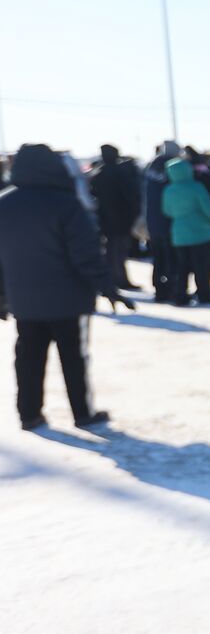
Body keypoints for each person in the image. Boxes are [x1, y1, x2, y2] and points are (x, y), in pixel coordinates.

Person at [0, 144, 135, 430]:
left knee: (28, 358)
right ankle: (82, 414)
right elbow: (86, 256)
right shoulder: (66, 203)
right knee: (74, 358)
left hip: (24, 302)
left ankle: (29, 414)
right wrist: (108, 288)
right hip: (68, 300)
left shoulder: (4, 204)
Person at [161, 157, 210, 305]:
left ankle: (181, 295)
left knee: (182, 267)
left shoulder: (168, 190)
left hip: (179, 233)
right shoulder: (196, 187)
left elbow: (166, 211)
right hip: (201, 232)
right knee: (202, 267)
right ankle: (204, 294)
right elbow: (208, 207)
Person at [88, 144, 143, 290]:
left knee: (112, 251)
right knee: (119, 251)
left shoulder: (98, 173)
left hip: (106, 218)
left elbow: (93, 195)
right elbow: (131, 196)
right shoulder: (120, 172)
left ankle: (114, 279)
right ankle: (119, 279)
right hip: (120, 218)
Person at [143, 140, 182, 302]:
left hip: (152, 219)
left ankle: (159, 289)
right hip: (168, 219)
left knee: (158, 257)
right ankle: (171, 288)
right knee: (170, 257)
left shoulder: (150, 167)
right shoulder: (173, 167)